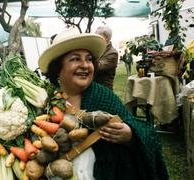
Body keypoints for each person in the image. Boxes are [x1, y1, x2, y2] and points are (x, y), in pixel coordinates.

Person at [38, 28, 168, 179]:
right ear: (58, 68)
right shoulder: (45, 101)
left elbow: (147, 133)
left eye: (89, 59)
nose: (85, 65)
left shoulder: (102, 96)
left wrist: (130, 134)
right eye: (75, 59)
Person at [94, 26, 119, 90]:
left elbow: (98, 67)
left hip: (104, 89)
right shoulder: (98, 48)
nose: (95, 38)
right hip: (93, 88)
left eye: (97, 36)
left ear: (106, 38)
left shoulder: (113, 53)